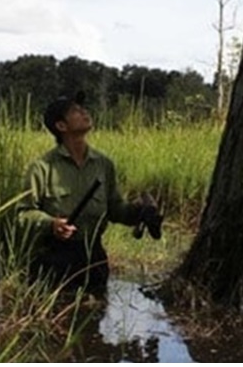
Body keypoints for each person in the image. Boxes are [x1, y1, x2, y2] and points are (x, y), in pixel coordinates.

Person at [17, 91, 160, 293]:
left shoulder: (103, 165)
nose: (84, 112)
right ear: (61, 126)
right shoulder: (42, 167)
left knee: (94, 316)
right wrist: (52, 225)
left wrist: (139, 213)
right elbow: (23, 213)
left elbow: (115, 209)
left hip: (94, 257)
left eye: (83, 108)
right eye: (75, 111)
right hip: (54, 259)